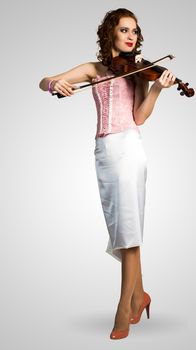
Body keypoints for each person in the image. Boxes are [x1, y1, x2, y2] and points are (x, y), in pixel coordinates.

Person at [39, 8, 176, 340]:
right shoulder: (95, 69)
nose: (131, 36)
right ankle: (141, 295)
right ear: (110, 34)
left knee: (128, 230)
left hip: (129, 150)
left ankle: (123, 309)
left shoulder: (140, 71)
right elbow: (44, 81)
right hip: (104, 154)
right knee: (121, 224)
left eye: (135, 31)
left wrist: (157, 88)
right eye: (124, 30)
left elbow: (139, 117)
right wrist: (56, 84)